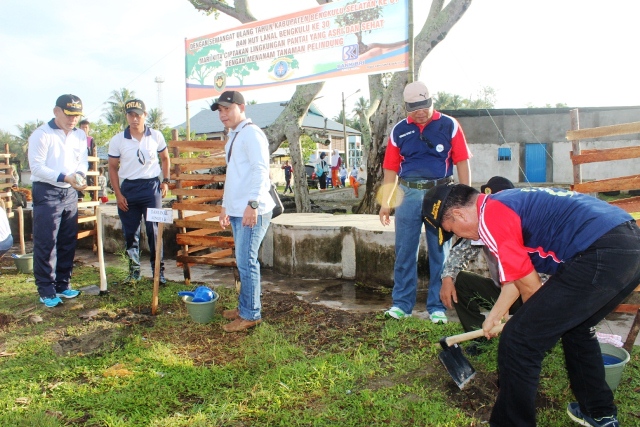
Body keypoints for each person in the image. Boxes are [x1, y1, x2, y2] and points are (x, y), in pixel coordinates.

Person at [423, 183, 640, 427]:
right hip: (629, 244)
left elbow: (531, 290)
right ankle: (599, 412)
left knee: (519, 341)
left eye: (454, 230)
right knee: (577, 328)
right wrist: (495, 315)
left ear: (460, 214)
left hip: (601, 250)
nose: (461, 236)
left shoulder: (491, 218)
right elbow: (518, 278)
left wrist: (525, 323)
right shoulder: (502, 204)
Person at [379, 81, 471, 324]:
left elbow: (462, 161)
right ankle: (401, 304)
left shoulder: (449, 125)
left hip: (440, 195)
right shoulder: (399, 130)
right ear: (406, 107)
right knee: (404, 251)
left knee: (439, 252)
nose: (420, 112)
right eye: (414, 108)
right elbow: (390, 168)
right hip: (408, 194)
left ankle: (437, 306)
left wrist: (465, 198)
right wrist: (385, 202)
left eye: (424, 106)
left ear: (431, 102)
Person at [211, 90, 275, 332]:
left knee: (247, 262)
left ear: (242, 107)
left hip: (253, 210)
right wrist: (226, 206)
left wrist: (253, 204)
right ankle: (245, 306)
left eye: (227, 109)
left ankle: (251, 314)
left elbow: (261, 171)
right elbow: (234, 176)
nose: (223, 114)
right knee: (242, 260)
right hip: (238, 209)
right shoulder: (234, 136)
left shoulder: (252, 134)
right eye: (220, 110)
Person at [439, 177, 524, 336]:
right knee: (461, 280)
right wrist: (447, 277)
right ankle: (479, 339)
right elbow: (460, 252)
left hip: (529, 294)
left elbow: (536, 281)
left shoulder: (522, 224)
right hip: (501, 291)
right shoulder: (480, 225)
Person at [28, 94, 87, 308]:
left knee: (67, 240)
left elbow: (82, 160)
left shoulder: (80, 135)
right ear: (56, 111)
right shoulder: (42, 135)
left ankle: (63, 284)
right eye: (69, 114)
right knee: (47, 242)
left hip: (70, 192)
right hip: (47, 191)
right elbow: (37, 167)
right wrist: (65, 177)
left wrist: (79, 174)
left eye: (76, 116)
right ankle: (46, 289)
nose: (72, 120)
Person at [108, 99, 171, 285]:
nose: (134, 119)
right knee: (130, 232)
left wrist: (165, 181)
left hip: (151, 189)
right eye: (130, 115)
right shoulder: (118, 139)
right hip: (128, 189)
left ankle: (158, 272)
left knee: (154, 231)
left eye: (138, 115)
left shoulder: (156, 136)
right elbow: (112, 167)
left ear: (145, 115)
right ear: (126, 116)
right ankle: (134, 271)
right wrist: (118, 194)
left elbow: (165, 158)